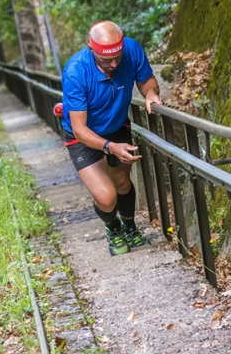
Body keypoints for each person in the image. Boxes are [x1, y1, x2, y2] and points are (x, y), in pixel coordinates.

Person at [60, 20, 163, 256]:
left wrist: (149, 93)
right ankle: (113, 227)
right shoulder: (76, 71)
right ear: (91, 48)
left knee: (123, 184)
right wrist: (109, 146)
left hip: (117, 127)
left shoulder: (132, 49)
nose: (114, 64)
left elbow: (147, 80)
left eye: (118, 56)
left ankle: (130, 227)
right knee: (107, 197)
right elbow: (80, 129)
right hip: (84, 136)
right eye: (106, 60)